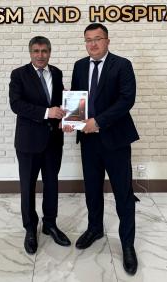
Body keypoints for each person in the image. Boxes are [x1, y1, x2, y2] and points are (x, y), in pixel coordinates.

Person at [66, 23, 139, 275]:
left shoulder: (122, 65)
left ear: (107, 41)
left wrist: (97, 122)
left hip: (115, 140)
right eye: (88, 40)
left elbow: (126, 100)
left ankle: (127, 244)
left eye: (98, 39)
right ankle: (95, 229)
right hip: (89, 141)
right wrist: (72, 119)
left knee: (123, 193)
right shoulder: (79, 66)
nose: (93, 44)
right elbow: (77, 99)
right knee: (92, 190)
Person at [9, 36, 71, 254]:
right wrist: (47, 112)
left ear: (50, 52)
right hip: (28, 142)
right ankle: (30, 228)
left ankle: (50, 224)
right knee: (28, 186)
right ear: (30, 53)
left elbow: (61, 102)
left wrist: (68, 118)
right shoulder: (19, 74)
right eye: (36, 51)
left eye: (44, 51)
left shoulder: (57, 73)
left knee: (52, 184)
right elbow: (16, 105)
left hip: (53, 140)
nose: (40, 55)